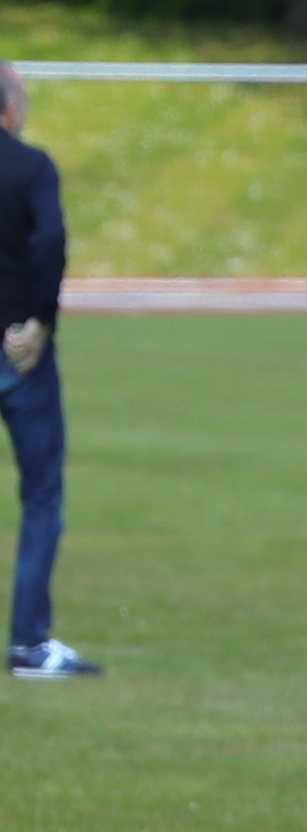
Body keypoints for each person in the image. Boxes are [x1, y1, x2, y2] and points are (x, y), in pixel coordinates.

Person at [0, 62, 96, 680]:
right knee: (40, 494)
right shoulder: (31, 168)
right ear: (10, 107)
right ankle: (29, 643)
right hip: (19, 351)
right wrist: (37, 321)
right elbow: (50, 241)